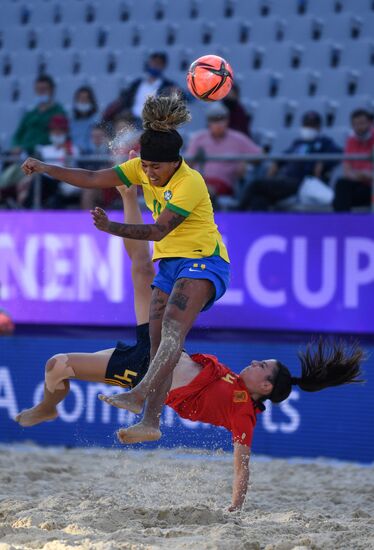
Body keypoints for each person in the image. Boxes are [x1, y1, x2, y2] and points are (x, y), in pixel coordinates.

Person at [15, 177, 365, 511]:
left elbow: (242, 465)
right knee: (141, 269)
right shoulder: (230, 377)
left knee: (58, 365)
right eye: (260, 360)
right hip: (156, 348)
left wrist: (235, 507)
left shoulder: (242, 413)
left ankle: (114, 413)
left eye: (262, 367)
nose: (256, 362)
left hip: (143, 370)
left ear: (266, 386)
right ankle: (126, 193)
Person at [21, 93, 231, 445]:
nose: (148, 173)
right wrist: (46, 168)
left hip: (204, 260)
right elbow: (91, 177)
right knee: (155, 342)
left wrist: (111, 227)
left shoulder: (189, 182)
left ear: (175, 162)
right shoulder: (140, 169)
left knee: (170, 333)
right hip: (171, 263)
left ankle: (139, 393)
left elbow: (157, 231)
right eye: (144, 166)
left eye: (155, 168)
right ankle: (150, 421)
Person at [240, 111, 342, 211]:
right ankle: (259, 225)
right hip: (285, 179)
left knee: (256, 184)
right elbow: (283, 158)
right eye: (306, 124)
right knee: (260, 198)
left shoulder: (325, 142)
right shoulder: (298, 143)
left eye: (312, 125)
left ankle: (236, 214)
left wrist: (323, 162)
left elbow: (339, 154)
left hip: (302, 182)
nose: (308, 128)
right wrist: (276, 164)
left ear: (318, 127)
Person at [185, 102, 261, 199]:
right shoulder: (198, 138)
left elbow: (260, 155)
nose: (218, 124)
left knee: (205, 191)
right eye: (214, 120)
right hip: (199, 182)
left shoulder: (238, 139)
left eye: (222, 119)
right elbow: (188, 163)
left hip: (223, 184)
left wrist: (245, 161)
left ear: (227, 121)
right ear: (208, 123)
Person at [101, 52, 182, 129]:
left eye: (158, 64)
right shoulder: (137, 83)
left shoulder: (168, 85)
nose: (154, 66)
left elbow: (182, 98)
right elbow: (125, 99)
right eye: (153, 63)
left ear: (163, 66)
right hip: (131, 119)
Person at [23, 114, 79, 209]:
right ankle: (27, 209)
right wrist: (26, 179)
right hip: (46, 181)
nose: (56, 133)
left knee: (42, 182)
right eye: (54, 130)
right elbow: (33, 168)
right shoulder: (44, 149)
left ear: (65, 132)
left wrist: (66, 151)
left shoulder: (73, 149)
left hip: (63, 180)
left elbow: (68, 168)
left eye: (60, 130)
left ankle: (27, 208)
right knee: (32, 181)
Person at [11, 75, 65, 156]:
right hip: (26, 154)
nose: (41, 92)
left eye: (44, 89)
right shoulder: (30, 114)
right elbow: (18, 135)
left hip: (48, 155)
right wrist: (16, 146)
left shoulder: (59, 112)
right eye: (38, 90)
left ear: (52, 90)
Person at [333, 108, 374, 212]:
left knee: (340, 199)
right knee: (341, 184)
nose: (360, 127)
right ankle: (342, 222)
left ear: (370, 123)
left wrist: (367, 175)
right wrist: (362, 175)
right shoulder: (351, 141)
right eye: (356, 124)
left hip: (371, 187)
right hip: (360, 185)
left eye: (362, 123)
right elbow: (347, 171)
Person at [70, 86, 99, 153]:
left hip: (94, 156)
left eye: (86, 99)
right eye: (80, 99)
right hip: (74, 157)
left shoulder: (98, 119)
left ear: (91, 101)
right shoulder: (71, 122)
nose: (83, 101)